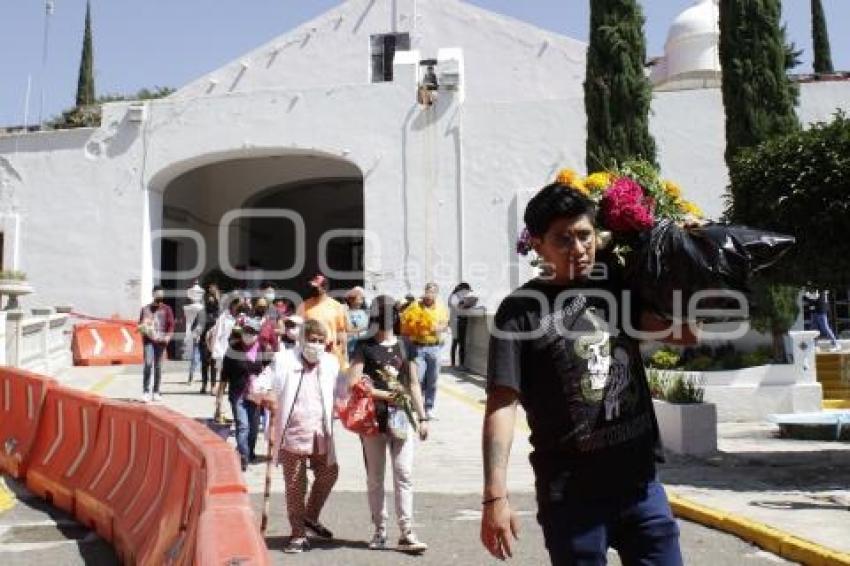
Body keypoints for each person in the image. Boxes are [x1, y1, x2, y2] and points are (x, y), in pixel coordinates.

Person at [481, 183, 697, 565]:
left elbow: (683, 332)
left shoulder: (613, 284)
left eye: (584, 235)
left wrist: (685, 255)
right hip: (571, 496)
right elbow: (502, 404)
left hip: (640, 485)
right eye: (563, 240)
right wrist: (495, 495)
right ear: (537, 245)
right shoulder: (519, 313)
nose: (579, 249)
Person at [347, 295, 430, 553]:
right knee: (375, 477)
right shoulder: (364, 345)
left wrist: (422, 416)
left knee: (404, 473)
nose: (386, 318)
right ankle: (380, 529)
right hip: (373, 420)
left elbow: (414, 383)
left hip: (402, 418)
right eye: (381, 313)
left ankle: (406, 531)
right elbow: (353, 381)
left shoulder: (406, 345)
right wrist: (383, 395)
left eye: (390, 313)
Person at [254, 319, 344, 554]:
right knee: (296, 483)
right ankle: (297, 534)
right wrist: (267, 396)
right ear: (302, 340)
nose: (316, 345)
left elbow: (343, 391)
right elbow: (257, 386)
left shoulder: (332, 363)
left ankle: (310, 516)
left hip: (320, 431)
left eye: (320, 341)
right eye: (312, 340)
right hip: (292, 431)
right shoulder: (283, 360)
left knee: (329, 472)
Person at [221, 317, 272, 471]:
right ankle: (243, 456)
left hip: (255, 394)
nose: (248, 334)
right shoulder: (233, 349)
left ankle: (249, 451)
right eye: (246, 331)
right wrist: (218, 399)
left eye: (252, 332)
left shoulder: (263, 349)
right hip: (238, 393)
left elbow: (270, 370)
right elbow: (225, 374)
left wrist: (267, 388)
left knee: (254, 427)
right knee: (243, 426)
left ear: (257, 334)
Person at [402, 282, 449, 419]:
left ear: (436, 293)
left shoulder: (441, 308)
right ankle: (418, 406)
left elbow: (445, 324)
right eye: (428, 291)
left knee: (433, 380)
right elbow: (404, 322)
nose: (430, 294)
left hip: (435, 347)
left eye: (433, 291)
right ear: (425, 291)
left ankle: (429, 407)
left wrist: (437, 328)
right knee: (418, 379)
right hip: (418, 347)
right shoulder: (415, 306)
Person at [296, 274, 348, 367]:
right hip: (310, 354)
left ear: (325, 288)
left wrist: (343, 354)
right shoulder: (303, 306)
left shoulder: (337, 306)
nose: (312, 289)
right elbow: (298, 330)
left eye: (316, 287)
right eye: (312, 286)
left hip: (331, 354)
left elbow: (341, 332)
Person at [138, 285, 175, 403]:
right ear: (153, 295)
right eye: (158, 295)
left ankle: (156, 391)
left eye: (162, 295)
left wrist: (168, 337)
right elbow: (140, 324)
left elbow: (171, 325)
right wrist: (144, 328)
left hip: (161, 341)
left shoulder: (167, 309)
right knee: (148, 364)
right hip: (148, 341)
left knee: (158, 366)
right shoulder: (145, 309)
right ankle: (145, 391)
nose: (160, 297)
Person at [195, 286, 220, 394]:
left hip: (214, 342)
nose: (211, 299)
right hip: (204, 341)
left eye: (213, 296)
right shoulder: (201, 312)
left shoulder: (219, 314)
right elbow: (194, 326)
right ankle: (204, 384)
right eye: (209, 296)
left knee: (214, 363)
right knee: (205, 364)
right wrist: (197, 331)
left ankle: (213, 385)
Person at [449, 282, 475, 370]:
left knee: (457, 342)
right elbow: (455, 307)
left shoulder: (457, 296)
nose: (467, 293)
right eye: (467, 291)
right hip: (457, 321)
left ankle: (456, 364)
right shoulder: (454, 296)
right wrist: (465, 304)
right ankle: (459, 364)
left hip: (460, 320)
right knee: (459, 343)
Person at [345, 286, 370, 361]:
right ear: (351, 299)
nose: (362, 298)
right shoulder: (345, 314)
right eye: (360, 296)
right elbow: (345, 332)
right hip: (352, 349)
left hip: (365, 348)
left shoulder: (365, 313)